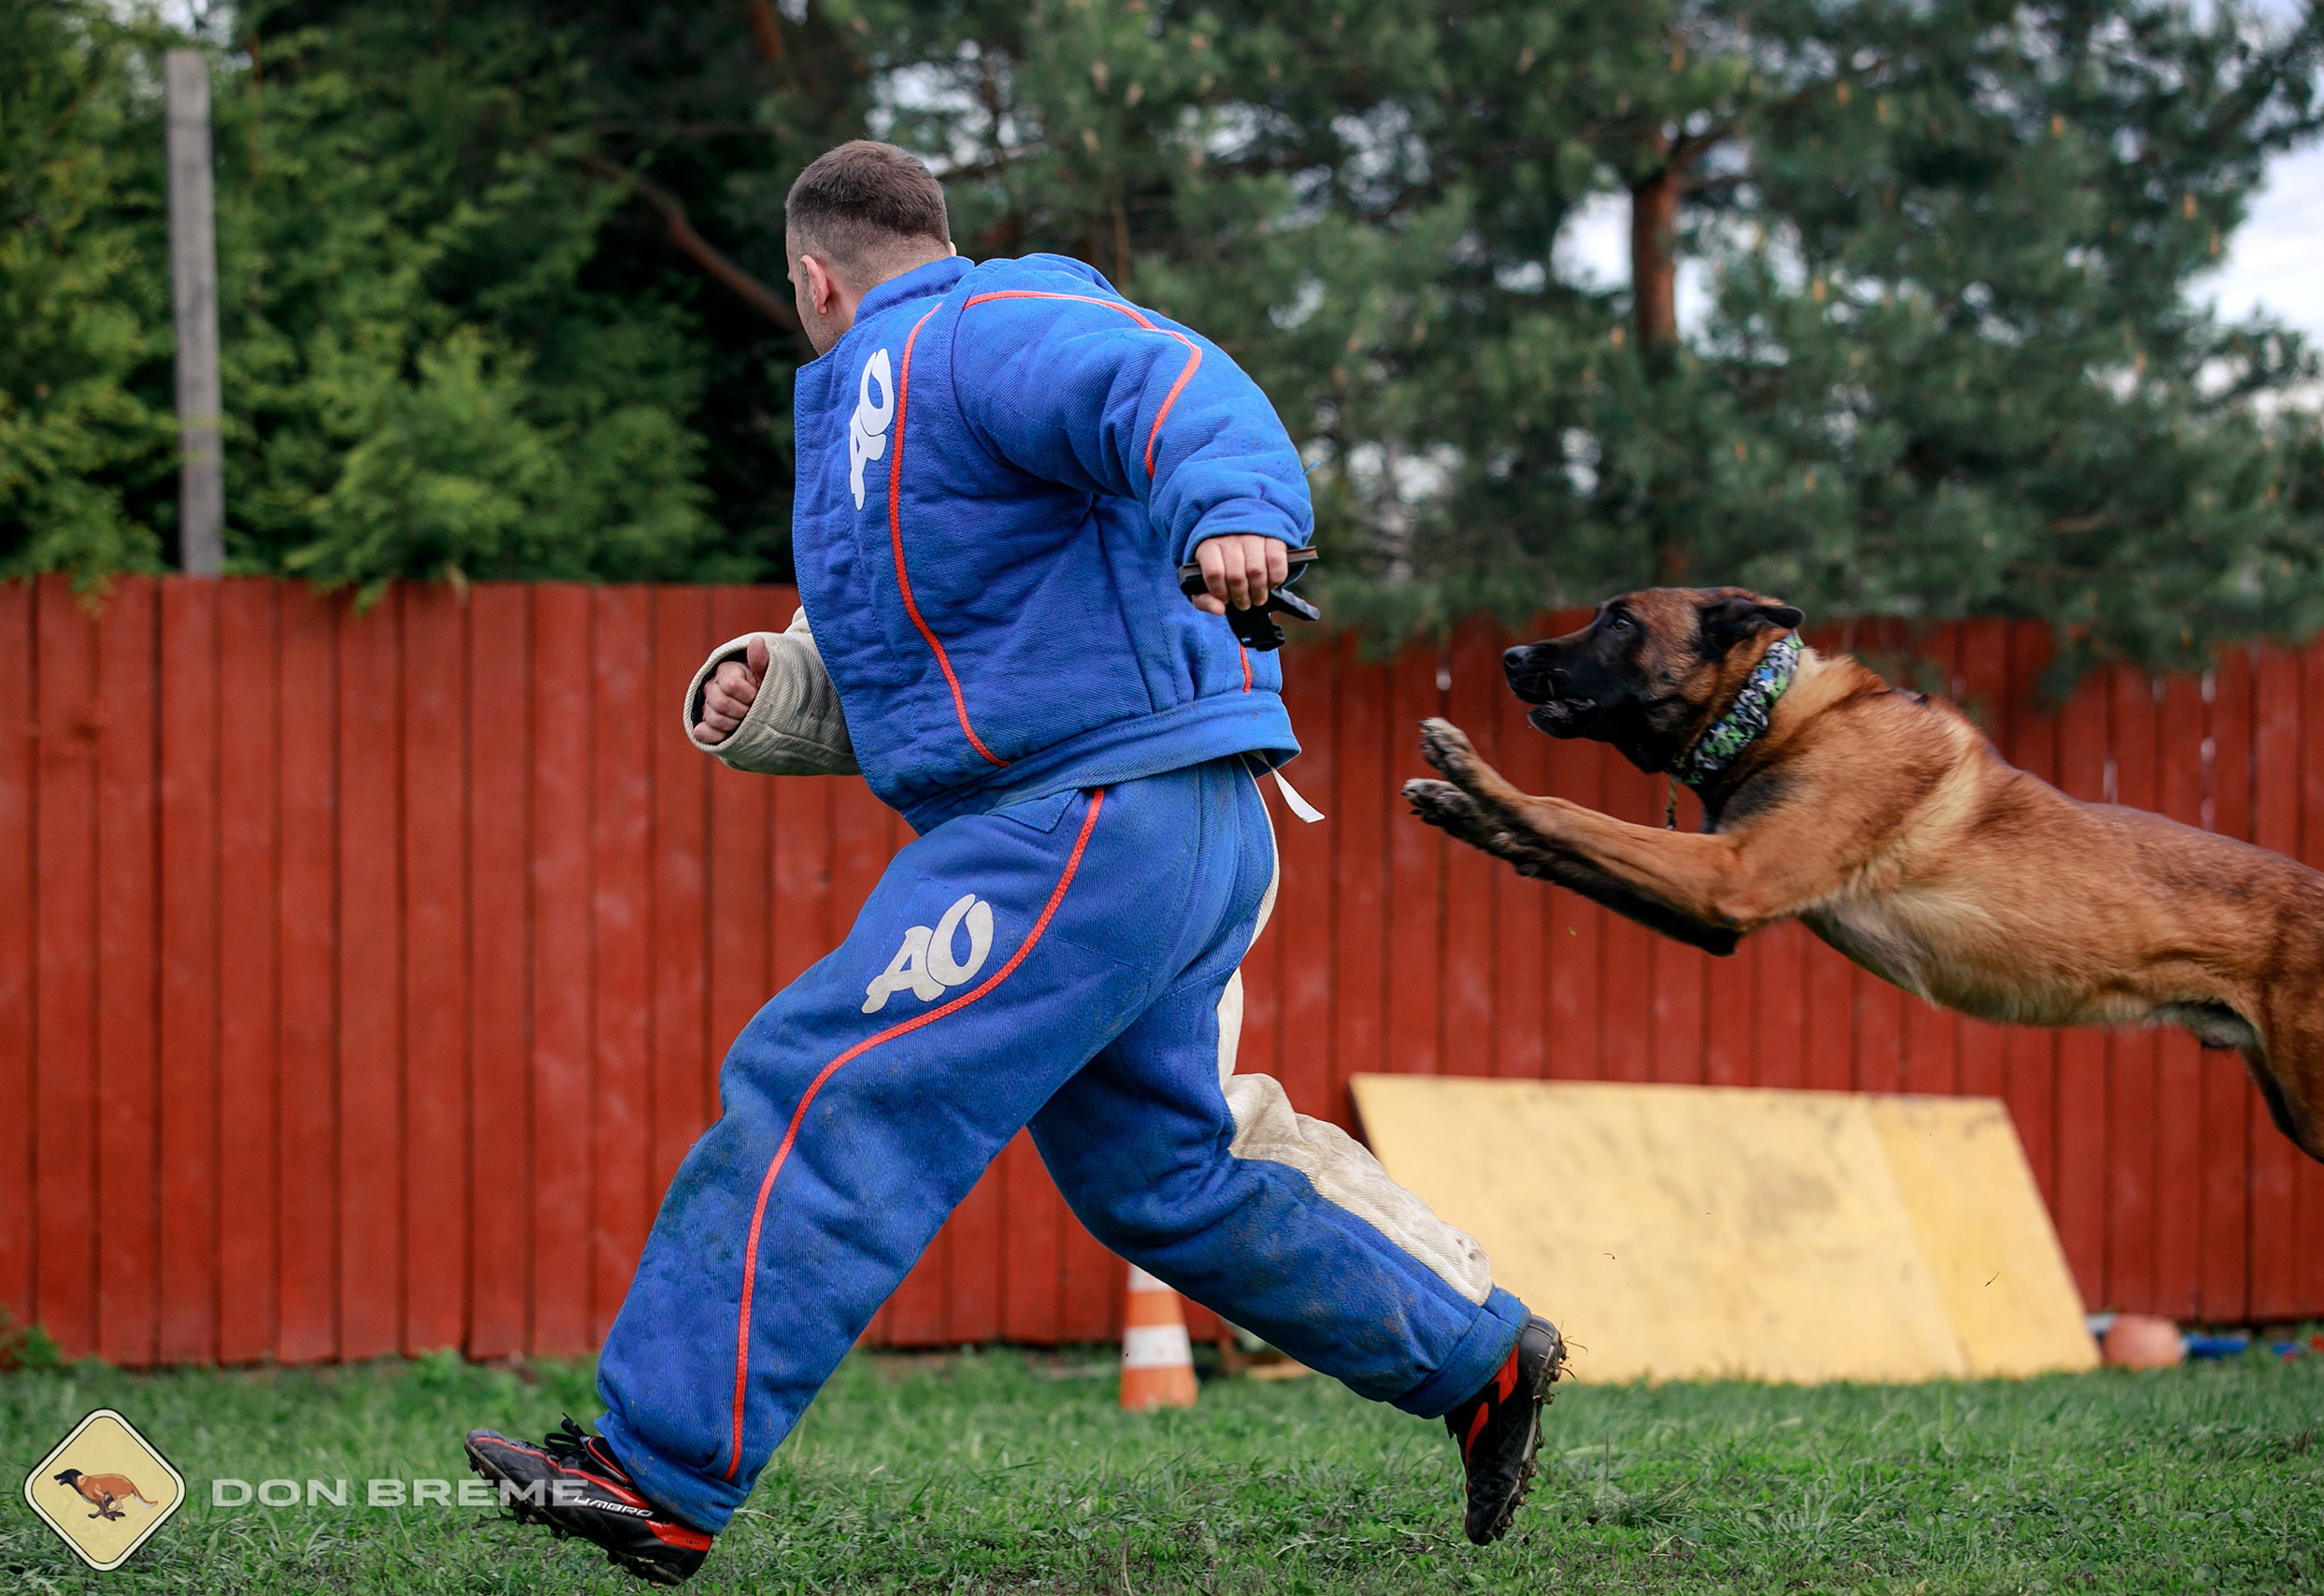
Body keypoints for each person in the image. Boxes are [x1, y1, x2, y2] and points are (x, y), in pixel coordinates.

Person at [465, 140, 1561, 1589]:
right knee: (1161, 1178)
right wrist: (774, 683)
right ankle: (1476, 1358)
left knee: (827, 1083)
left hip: (1089, 817)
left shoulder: (977, 331)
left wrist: (1236, 504)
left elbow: (1165, 381)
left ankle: (655, 1474)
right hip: (1142, 824)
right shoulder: (885, 410)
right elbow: (942, 643)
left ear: (814, 279)